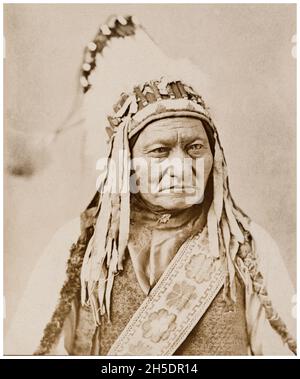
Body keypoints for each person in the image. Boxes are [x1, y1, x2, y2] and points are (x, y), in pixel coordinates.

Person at [6, 15, 296, 356]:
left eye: (195, 148)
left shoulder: (247, 248)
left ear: (215, 158)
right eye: (160, 151)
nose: (181, 167)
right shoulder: (79, 247)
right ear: (124, 163)